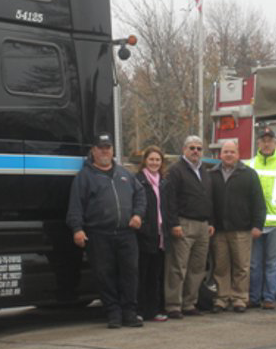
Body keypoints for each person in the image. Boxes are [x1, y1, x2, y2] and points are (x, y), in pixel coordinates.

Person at [66, 133, 145, 328]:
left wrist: (138, 215)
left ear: (112, 150)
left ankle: (129, 312)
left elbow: (140, 195)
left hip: (126, 234)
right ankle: (113, 313)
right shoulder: (84, 177)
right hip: (99, 235)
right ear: (93, 150)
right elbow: (76, 205)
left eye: (108, 147)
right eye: (101, 148)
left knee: (130, 274)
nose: (104, 151)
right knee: (105, 275)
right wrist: (77, 229)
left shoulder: (125, 174)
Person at [208, 140, 266, 313]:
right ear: (220, 155)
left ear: (238, 154)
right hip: (219, 230)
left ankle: (240, 298)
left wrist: (257, 225)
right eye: (225, 152)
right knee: (221, 266)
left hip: (242, 229)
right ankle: (222, 298)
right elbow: (208, 202)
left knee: (242, 266)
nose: (228, 155)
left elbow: (258, 202)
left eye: (232, 152)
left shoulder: (249, 174)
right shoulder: (212, 175)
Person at [164, 135, 214, 319]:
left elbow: (209, 198)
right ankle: (173, 305)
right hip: (183, 224)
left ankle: (189, 303)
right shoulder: (175, 171)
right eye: (192, 148)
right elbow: (170, 200)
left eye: (199, 149)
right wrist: (174, 223)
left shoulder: (205, 171)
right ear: (184, 149)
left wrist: (211, 222)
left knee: (197, 268)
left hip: (203, 226)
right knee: (178, 267)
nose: (195, 152)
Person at [245, 127, 276, 310]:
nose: (266, 144)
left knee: (273, 262)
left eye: (270, 141)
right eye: (263, 140)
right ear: (258, 143)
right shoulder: (249, 165)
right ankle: (254, 297)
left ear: (275, 144)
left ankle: (269, 298)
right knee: (254, 263)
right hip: (255, 224)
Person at [134, 145, 169, 321]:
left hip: (160, 235)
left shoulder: (164, 181)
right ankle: (139, 310)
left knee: (156, 274)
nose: (154, 163)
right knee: (142, 274)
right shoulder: (138, 180)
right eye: (151, 159)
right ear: (145, 161)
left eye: (157, 160)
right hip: (144, 234)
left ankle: (154, 310)